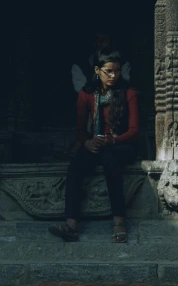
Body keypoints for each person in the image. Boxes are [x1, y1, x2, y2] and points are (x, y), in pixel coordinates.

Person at [49, 50, 139, 244]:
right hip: (96, 142)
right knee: (76, 165)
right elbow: (80, 130)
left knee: (109, 160)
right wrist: (87, 142)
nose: (113, 75)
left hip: (121, 144)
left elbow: (133, 130)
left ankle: (119, 221)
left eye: (116, 71)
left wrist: (113, 141)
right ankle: (71, 225)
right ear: (97, 70)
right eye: (108, 71)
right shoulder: (86, 94)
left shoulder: (128, 93)